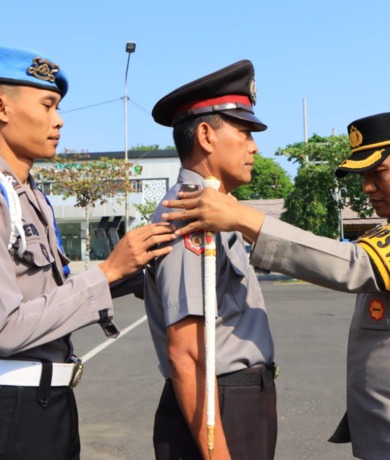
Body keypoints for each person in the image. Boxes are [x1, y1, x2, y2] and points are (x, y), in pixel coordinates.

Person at [161, 108, 390, 459]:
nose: (366, 187)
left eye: (378, 172)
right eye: (362, 175)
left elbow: (354, 265)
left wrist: (243, 218)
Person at [0, 46, 175, 460]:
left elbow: (50, 293)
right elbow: (6, 329)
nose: (58, 120)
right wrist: (109, 272)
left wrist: (134, 270)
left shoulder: (30, 197)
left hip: (52, 402)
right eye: (47, 105)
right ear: (0, 107)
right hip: (11, 409)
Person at [145, 59, 277, 460]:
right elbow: (186, 354)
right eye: (244, 132)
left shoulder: (217, 209)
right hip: (218, 405)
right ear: (206, 134)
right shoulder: (189, 214)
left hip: (236, 398)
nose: (254, 146)